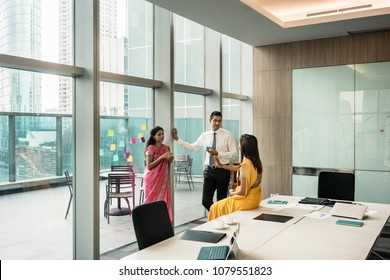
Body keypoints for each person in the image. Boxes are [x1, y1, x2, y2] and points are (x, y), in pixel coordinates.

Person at [172, 111, 238, 211]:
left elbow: (234, 153)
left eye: (219, 121)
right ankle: (217, 215)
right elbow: (192, 147)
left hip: (222, 171)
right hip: (209, 171)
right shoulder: (205, 135)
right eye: (215, 120)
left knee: (221, 201)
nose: (217, 123)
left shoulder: (227, 135)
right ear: (210, 121)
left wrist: (218, 153)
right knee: (206, 201)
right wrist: (177, 139)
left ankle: (218, 220)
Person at [208, 134, 263, 221]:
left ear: (244, 146)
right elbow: (239, 168)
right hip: (255, 199)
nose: (238, 145)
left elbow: (242, 191)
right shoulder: (255, 161)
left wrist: (231, 194)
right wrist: (222, 166)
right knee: (222, 204)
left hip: (247, 201)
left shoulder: (245, 165)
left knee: (214, 207)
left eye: (239, 143)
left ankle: (215, 230)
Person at [143, 126, 174, 222]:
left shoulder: (165, 148)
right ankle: (149, 222)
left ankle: (161, 222)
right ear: (153, 136)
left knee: (163, 201)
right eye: (159, 134)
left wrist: (170, 158)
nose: (162, 136)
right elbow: (149, 166)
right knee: (151, 201)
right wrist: (162, 157)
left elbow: (168, 163)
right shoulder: (151, 148)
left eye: (163, 134)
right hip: (151, 179)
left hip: (162, 180)